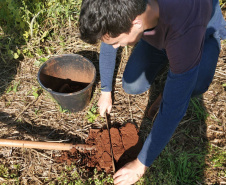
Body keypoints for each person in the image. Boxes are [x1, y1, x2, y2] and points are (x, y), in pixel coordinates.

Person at [79, 0, 226, 184]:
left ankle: (176, 77)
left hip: (201, 36)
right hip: (157, 30)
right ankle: (166, 53)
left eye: (117, 42)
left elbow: (174, 109)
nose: (115, 47)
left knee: (195, 85)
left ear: (136, 23)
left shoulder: (185, 30)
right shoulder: (128, 11)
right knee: (132, 85)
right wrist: (106, 91)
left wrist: (140, 165)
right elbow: (108, 31)